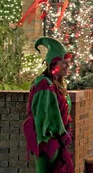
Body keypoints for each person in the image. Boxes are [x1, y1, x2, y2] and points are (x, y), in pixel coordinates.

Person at [23, 37, 74, 173]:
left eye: (69, 62)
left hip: (56, 141)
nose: (68, 66)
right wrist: (62, 134)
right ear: (53, 63)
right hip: (46, 141)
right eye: (64, 63)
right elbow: (45, 116)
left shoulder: (58, 85)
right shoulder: (44, 84)